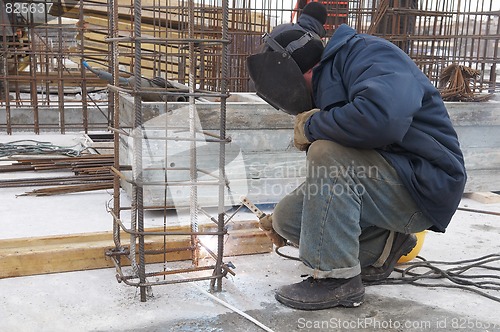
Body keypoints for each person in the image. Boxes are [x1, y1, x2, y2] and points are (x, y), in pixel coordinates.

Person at [247, 2, 467, 310]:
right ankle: (384, 245)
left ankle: (337, 280)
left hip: (425, 183)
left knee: (326, 150)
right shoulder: (329, 79)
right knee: (287, 218)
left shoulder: (369, 55)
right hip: (393, 179)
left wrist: (311, 126)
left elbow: (383, 120)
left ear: (300, 73)